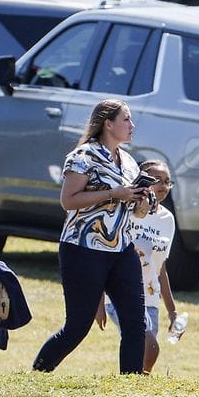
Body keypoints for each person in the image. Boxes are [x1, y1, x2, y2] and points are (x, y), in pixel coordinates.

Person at [33, 99, 153, 375]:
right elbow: (68, 200)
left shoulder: (129, 161)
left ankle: (130, 385)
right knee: (78, 326)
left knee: (135, 323)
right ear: (108, 124)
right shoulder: (83, 155)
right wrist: (113, 194)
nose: (132, 125)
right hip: (83, 248)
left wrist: (142, 202)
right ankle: (38, 373)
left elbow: (136, 212)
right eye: (126, 119)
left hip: (122, 249)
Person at [98, 159, 180, 374]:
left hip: (150, 297)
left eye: (167, 181)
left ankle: (135, 383)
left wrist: (172, 312)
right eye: (157, 180)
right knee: (149, 344)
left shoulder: (167, 219)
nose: (163, 186)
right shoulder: (126, 211)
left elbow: (160, 268)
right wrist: (99, 302)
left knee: (144, 352)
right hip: (121, 293)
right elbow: (106, 257)